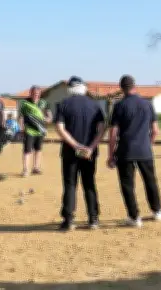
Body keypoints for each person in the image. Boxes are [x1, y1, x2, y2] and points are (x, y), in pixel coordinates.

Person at [108, 75, 161, 228]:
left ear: (121, 88)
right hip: (144, 148)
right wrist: (149, 144)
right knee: (150, 181)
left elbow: (113, 132)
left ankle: (134, 217)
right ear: (135, 86)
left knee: (127, 184)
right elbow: (155, 130)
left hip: (125, 149)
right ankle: (157, 210)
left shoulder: (119, 106)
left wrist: (110, 154)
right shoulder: (147, 104)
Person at [54, 76, 106, 231]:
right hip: (90, 152)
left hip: (70, 152)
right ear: (83, 87)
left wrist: (76, 145)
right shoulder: (95, 105)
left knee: (70, 184)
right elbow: (102, 128)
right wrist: (90, 147)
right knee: (89, 183)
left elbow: (59, 128)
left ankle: (69, 219)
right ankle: (93, 218)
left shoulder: (63, 104)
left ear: (70, 89)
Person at [19, 86, 50, 176]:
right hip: (29, 130)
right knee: (27, 150)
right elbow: (21, 116)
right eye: (34, 93)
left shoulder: (43, 102)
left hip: (40, 130)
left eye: (37, 93)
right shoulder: (25, 103)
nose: (36, 95)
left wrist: (48, 119)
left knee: (38, 149)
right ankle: (25, 169)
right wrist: (21, 128)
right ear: (30, 93)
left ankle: (36, 168)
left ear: (40, 94)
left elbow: (49, 115)